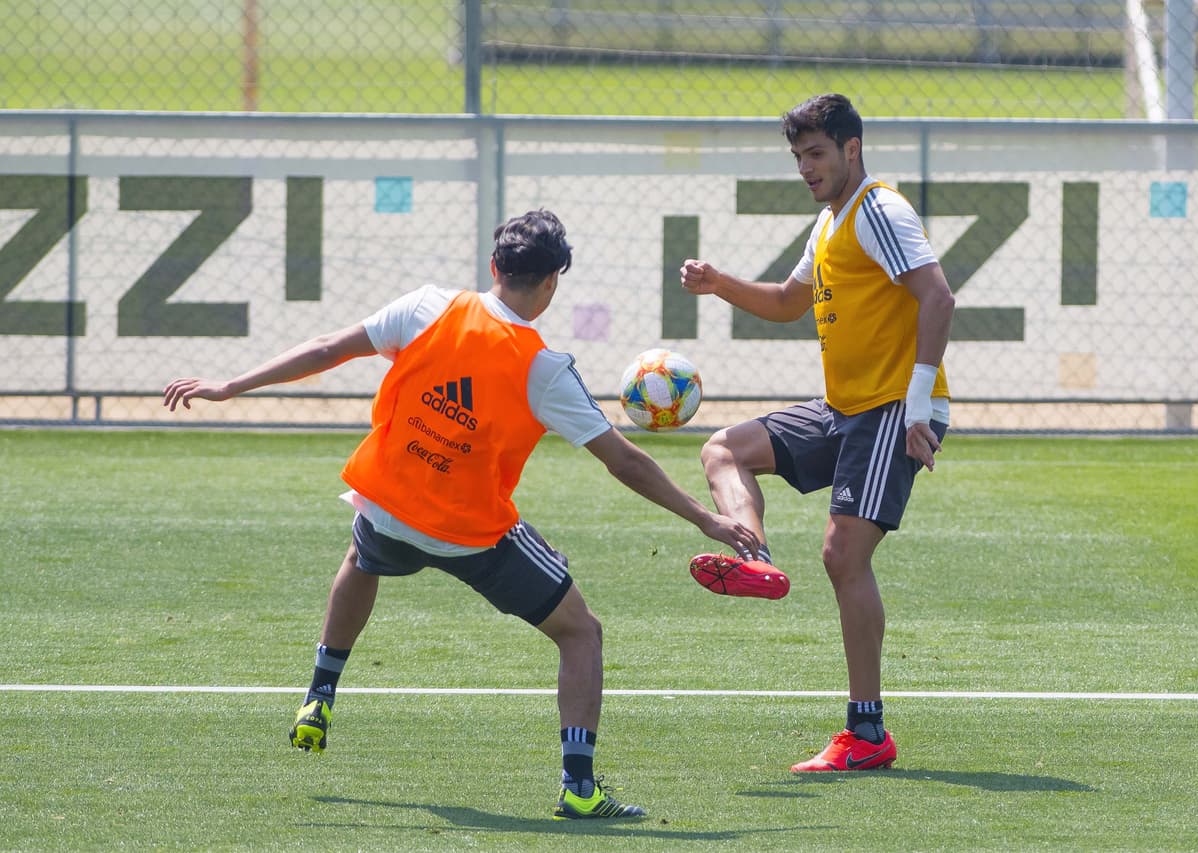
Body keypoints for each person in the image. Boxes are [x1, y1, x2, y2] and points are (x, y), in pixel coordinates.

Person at [163, 209, 759, 819]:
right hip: (470, 537)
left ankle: (320, 693)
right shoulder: (545, 369)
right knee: (580, 632)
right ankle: (579, 788)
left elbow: (325, 348)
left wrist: (230, 386)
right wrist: (706, 520)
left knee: (362, 555)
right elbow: (624, 461)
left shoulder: (428, 306)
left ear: (495, 267)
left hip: (389, 506)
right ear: (553, 282)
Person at [681, 93, 955, 772]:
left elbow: (938, 296)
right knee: (723, 448)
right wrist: (719, 284)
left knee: (842, 555)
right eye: (799, 156)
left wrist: (919, 407)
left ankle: (866, 735)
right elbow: (786, 302)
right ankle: (756, 559)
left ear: (851, 149)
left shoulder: (879, 211)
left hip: (896, 407)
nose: (806, 168)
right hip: (846, 406)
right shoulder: (830, 222)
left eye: (817, 154)